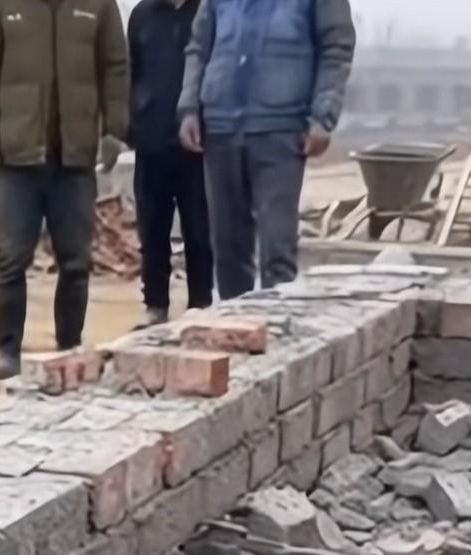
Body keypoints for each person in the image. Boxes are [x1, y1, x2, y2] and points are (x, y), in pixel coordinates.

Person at [0, 0, 129, 381]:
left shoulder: (99, 5)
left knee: (75, 262)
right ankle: (7, 349)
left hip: (74, 158)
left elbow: (115, 67)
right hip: (17, 155)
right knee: (10, 259)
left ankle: (68, 347)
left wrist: (115, 128)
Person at [177, 0, 355, 299]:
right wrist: (189, 108)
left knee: (277, 250)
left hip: (281, 131)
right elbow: (199, 46)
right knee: (228, 249)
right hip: (220, 127)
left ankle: (279, 334)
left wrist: (323, 116)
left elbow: (335, 49)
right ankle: (234, 331)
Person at [128, 0, 213, 326]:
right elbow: (131, 72)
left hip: (198, 143)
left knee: (200, 229)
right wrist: (132, 122)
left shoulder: (207, 10)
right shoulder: (143, 14)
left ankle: (200, 305)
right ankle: (155, 307)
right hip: (151, 140)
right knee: (152, 228)